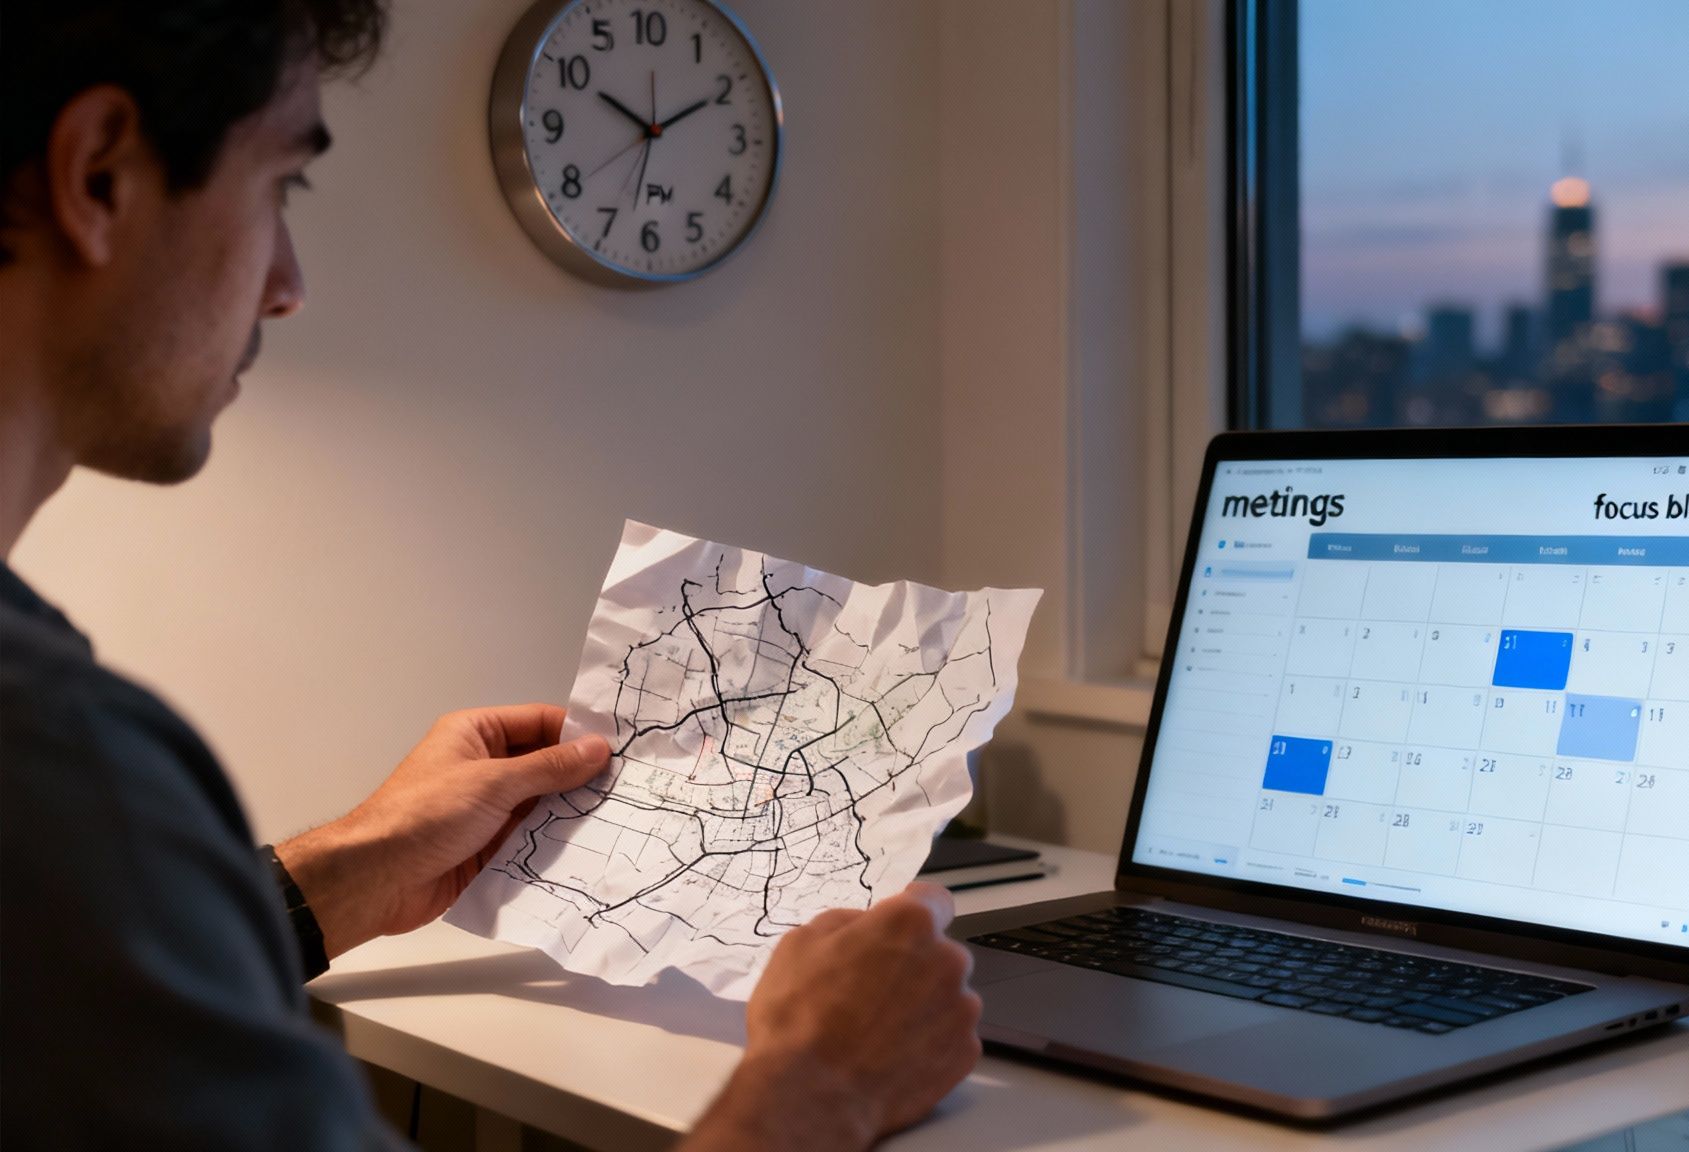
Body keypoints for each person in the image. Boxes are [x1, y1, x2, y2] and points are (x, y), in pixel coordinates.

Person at [0, 2, 982, 1148]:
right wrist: (826, 1084)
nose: (287, 282)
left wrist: (341, 874)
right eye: (281, 188)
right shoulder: (58, 773)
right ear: (99, 176)